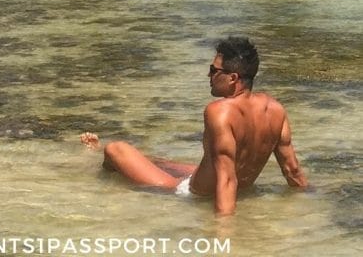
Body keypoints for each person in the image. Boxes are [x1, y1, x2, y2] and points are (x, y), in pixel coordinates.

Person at [80, 36, 308, 215]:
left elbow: (227, 180)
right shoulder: (275, 109)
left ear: (232, 78)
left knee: (115, 149)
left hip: (192, 193)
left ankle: (96, 159)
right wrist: (311, 202)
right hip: (228, 184)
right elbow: (292, 171)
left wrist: (223, 237)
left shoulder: (219, 112)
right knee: (162, 162)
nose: (208, 75)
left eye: (213, 71)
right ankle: (145, 161)